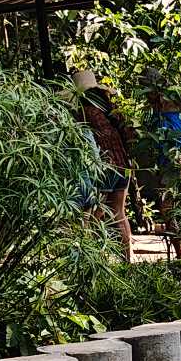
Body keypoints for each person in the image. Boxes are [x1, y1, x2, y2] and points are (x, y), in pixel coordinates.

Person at [73, 69, 136, 261]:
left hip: (105, 166)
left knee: (96, 214)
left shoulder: (84, 112)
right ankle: (128, 259)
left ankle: (96, 260)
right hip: (123, 164)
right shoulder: (110, 109)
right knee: (119, 214)